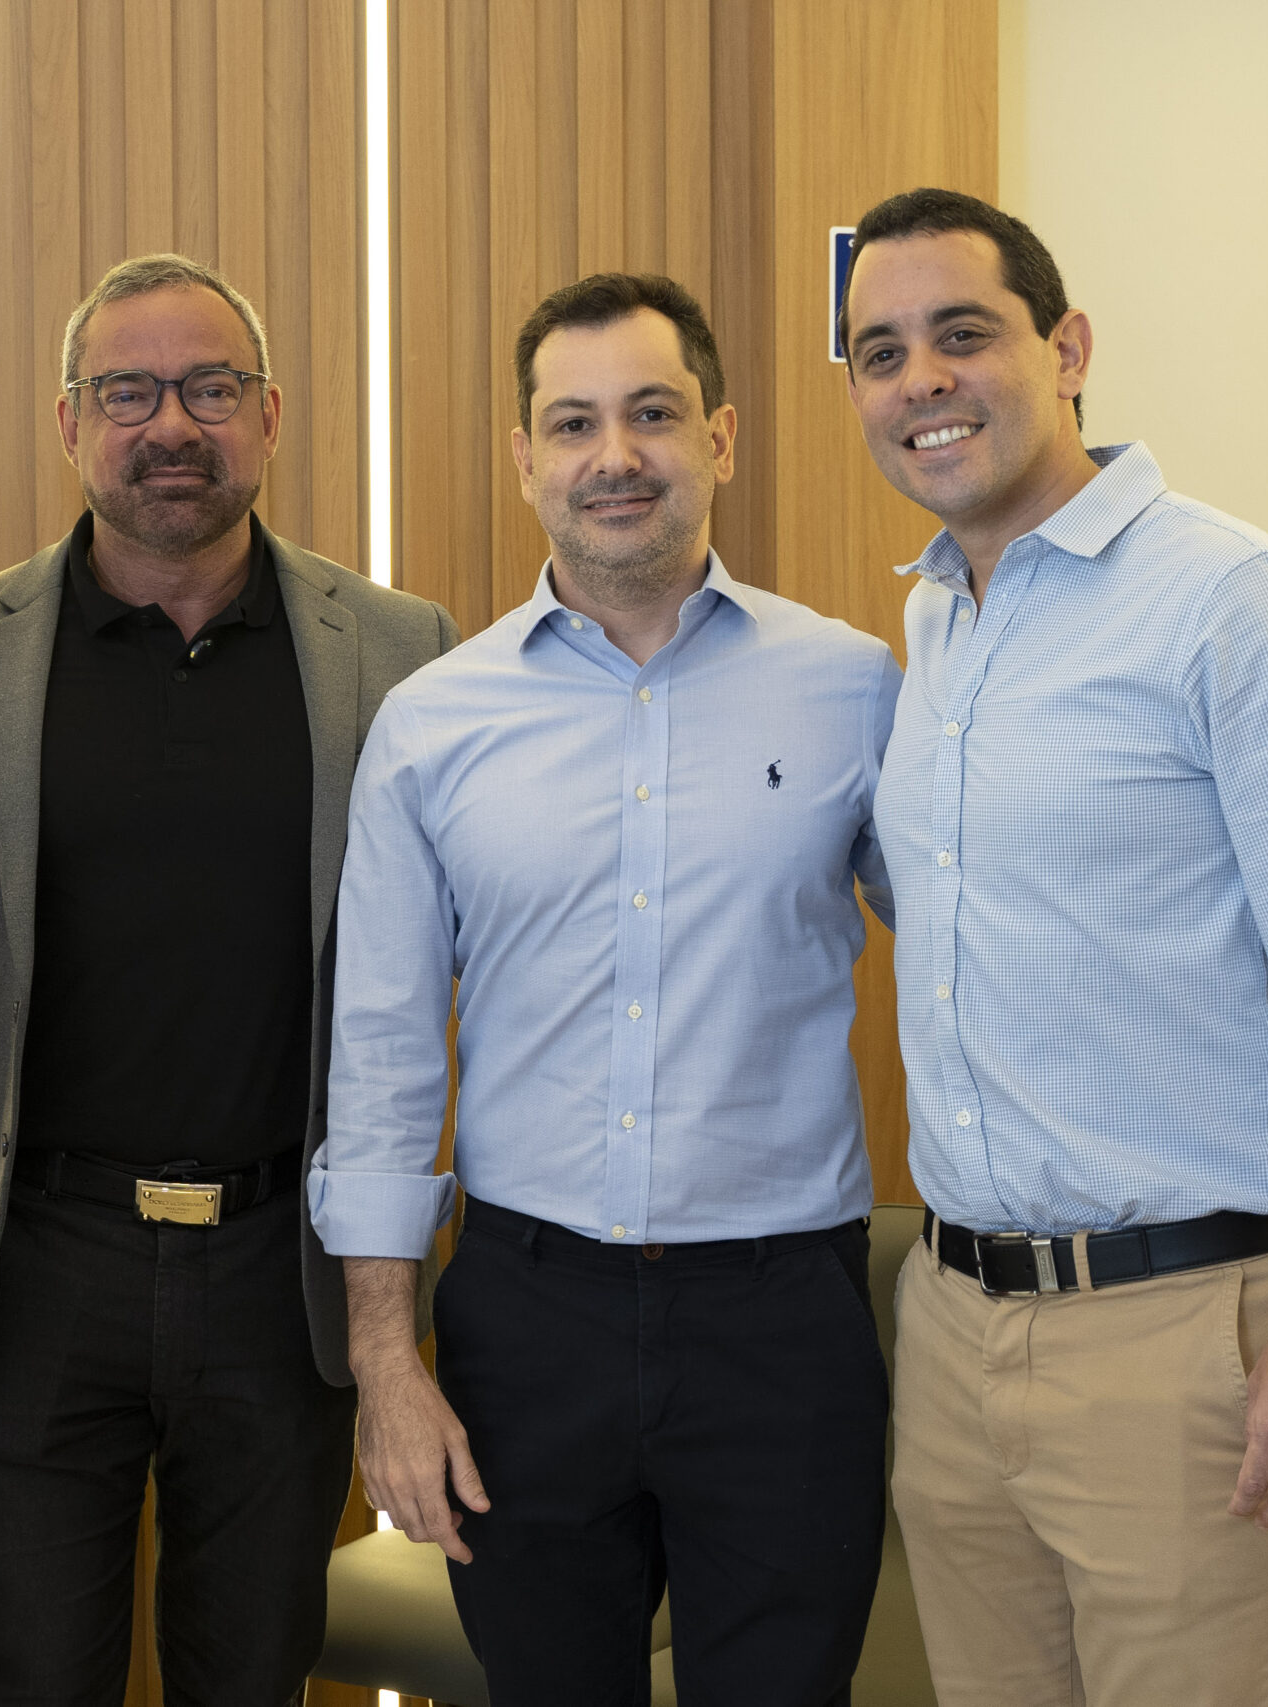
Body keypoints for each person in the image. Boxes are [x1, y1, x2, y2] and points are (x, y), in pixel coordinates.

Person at [838, 186, 1268, 1707]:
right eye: (879, 351)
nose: (921, 379)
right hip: (959, 1320)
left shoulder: (1227, 604)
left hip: (1187, 1340)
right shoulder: (936, 628)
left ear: (1068, 348)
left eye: (961, 335)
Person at [0, 252, 458, 1704]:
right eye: (129, 391)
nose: (172, 423)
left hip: (278, 1268)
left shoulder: (398, 653)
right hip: (32, 1263)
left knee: (255, 1675)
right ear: (69, 424)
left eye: (210, 388)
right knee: (23, 1677)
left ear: (272, 415)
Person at [316, 273, 901, 1704]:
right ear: (525, 459)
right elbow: (384, 1060)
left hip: (785, 1328)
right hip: (529, 1321)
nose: (614, 456)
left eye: (651, 414)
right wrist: (389, 1366)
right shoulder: (433, 724)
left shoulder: (859, 688)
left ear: (723, 437)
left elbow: (982, 960)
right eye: (572, 423)